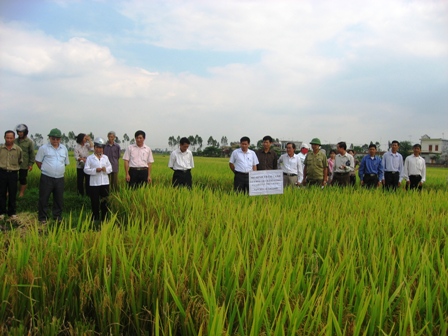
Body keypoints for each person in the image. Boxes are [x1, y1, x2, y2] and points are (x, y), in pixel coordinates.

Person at [35, 128, 70, 223]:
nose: (55, 141)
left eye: (57, 139)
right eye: (53, 138)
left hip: (59, 178)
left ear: (60, 139)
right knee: (44, 197)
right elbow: (38, 161)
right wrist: (45, 169)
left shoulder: (64, 149)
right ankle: (42, 218)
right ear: (49, 138)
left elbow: (65, 163)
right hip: (46, 177)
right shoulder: (43, 148)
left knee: (58, 198)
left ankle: (57, 216)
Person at [84, 137, 112, 221]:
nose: (99, 150)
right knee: (94, 201)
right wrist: (95, 170)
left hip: (104, 183)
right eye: (98, 147)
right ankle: (95, 217)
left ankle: (104, 217)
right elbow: (86, 169)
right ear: (94, 147)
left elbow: (110, 168)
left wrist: (105, 169)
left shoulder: (105, 158)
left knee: (105, 201)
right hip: (94, 183)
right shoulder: (90, 158)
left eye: (101, 148)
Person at [0, 130, 22, 221]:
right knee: (1, 193)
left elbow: (20, 161)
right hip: (2, 173)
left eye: (11, 138)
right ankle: (1, 212)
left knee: (12, 193)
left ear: (14, 138)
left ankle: (12, 212)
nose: (9, 139)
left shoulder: (18, 149)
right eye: (7, 137)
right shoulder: (1, 149)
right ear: (4, 138)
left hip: (13, 174)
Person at [14, 124, 35, 197]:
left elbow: (32, 153)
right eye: (19, 132)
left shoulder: (29, 142)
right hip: (13, 164)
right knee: (12, 178)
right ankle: (10, 192)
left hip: (24, 164)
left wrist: (31, 164)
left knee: (22, 178)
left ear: (25, 132)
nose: (20, 133)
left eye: (21, 132)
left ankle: (21, 193)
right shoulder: (15, 141)